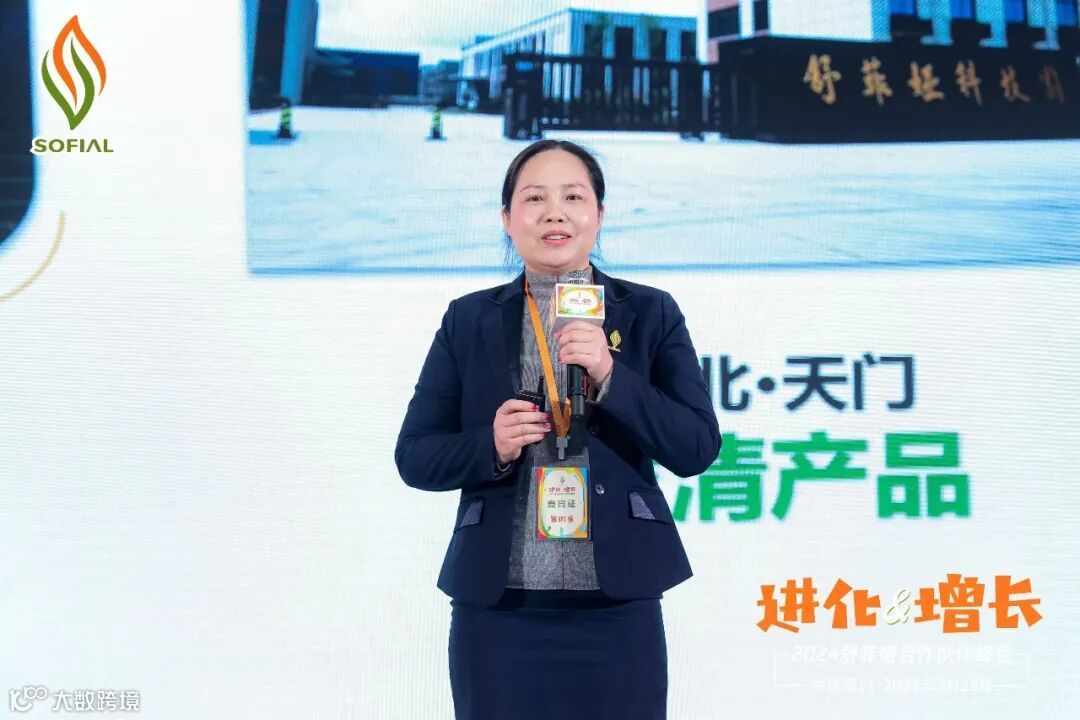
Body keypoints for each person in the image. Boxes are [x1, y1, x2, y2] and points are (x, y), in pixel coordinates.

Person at [395, 139, 721, 720]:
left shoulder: (650, 313)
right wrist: (491, 446)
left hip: (617, 610)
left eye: (573, 197)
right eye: (534, 198)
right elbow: (415, 455)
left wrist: (610, 376)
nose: (555, 213)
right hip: (499, 613)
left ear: (599, 213)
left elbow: (696, 446)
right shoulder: (468, 319)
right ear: (507, 218)